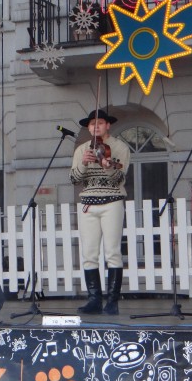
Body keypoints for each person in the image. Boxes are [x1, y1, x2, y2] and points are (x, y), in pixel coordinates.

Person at [70, 109, 130, 315]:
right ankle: (94, 300)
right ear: (88, 128)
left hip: (112, 201)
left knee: (112, 252)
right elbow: (74, 179)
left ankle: (112, 301)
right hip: (88, 203)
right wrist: (84, 163)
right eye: (92, 124)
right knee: (89, 254)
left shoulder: (119, 147)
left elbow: (120, 179)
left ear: (108, 126)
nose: (96, 127)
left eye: (100, 123)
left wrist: (107, 166)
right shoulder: (81, 149)